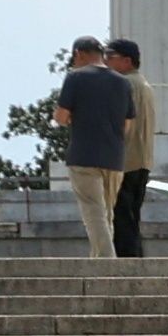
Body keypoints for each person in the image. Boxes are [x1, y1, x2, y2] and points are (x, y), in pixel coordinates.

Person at [44, 35, 130, 260]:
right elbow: (127, 124)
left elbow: (62, 117)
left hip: (84, 155)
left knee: (93, 211)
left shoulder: (75, 78)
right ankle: (97, 260)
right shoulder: (122, 82)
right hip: (115, 157)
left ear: (78, 54)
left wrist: (69, 118)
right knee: (106, 213)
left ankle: (106, 260)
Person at [103, 38, 151, 258]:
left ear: (126, 61)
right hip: (142, 159)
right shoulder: (144, 84)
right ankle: (135, 260)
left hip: (125, 160)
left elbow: (120, 124)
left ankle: (127, 264)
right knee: (132, 217)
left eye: (110, 58)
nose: (106, 62)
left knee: (121, 218)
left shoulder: (125, 85)